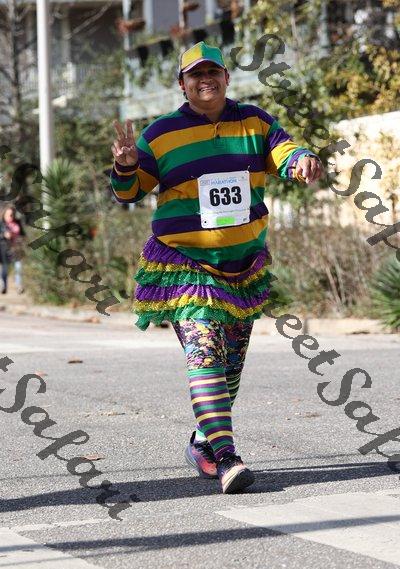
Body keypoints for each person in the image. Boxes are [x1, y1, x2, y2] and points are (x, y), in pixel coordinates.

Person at [110, 42, 323, 494]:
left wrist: (302, 160)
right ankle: (227, 457)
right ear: (182, 84)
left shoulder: (255, 121)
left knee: (229, 368)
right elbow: (128, 192)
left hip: (243, 267)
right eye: (195, 74)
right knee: (205, 353)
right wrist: (125, 167)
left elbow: (285, 152)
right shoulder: (160, 134)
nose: (205, 80)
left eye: (213, 72)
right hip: (185, 263)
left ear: (227, 78)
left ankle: (203, 443)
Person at [0, 205, 26, 294]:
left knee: (18, 266)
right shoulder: (1, 224)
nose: (10, 216)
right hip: (4, 249)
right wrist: (4, 235)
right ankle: (4, 285)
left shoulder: (18, 222)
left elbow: (23, 234)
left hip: (16, 248)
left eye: (12, 214)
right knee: (5, 268)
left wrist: (20, 239)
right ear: (4, 215)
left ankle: (19, 285)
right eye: (8, 215)